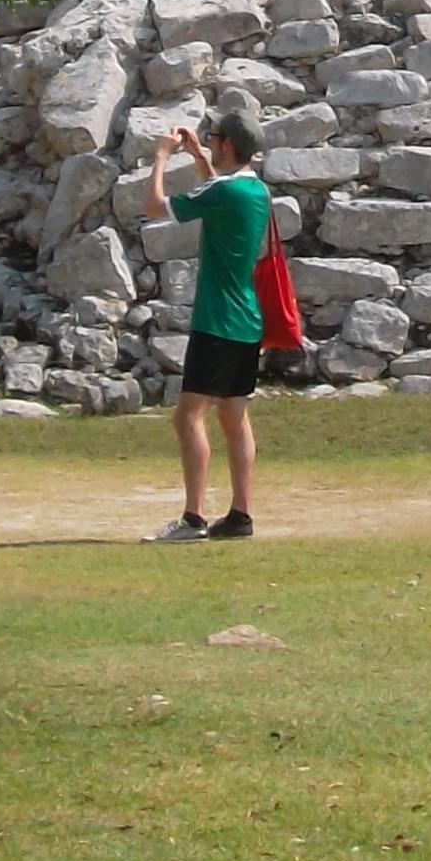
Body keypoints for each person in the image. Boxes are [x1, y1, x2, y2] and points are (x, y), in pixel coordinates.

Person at [149, 99, 270, 541]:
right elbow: (219, 192)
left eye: (215, 138)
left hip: (215, 319)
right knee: (233, 416)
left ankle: (193, 517)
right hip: (245, 320)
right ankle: (240, 514)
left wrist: (161, 158)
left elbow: (155, 206)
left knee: (187, 418)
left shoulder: (225, 192)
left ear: (229, 145)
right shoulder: (255, 191)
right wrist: (199, 157)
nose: (212, 141)